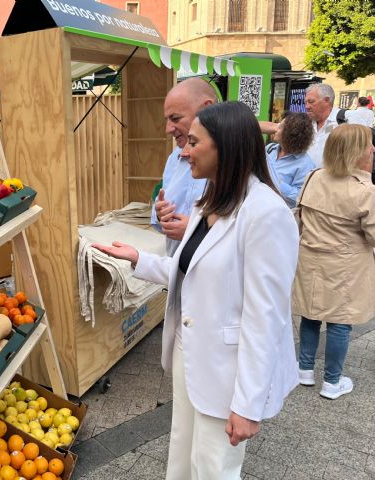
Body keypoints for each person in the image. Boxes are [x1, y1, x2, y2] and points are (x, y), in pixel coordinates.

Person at [94, 102, 299, 479]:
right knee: (183, 455)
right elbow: (192, 272)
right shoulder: (210, 202)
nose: (183, 151)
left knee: (213, 467)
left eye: (192, 141)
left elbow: (265, 317)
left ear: (226, 147)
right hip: (192, 357)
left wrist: (248, 404)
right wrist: (137, 257)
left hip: (228, 369)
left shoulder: (266, 214)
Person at [292, 124, 375, 399]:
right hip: (346, 266)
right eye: (368, 145)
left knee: (311, 314)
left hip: (311, 260)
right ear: (357, 152)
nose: (372, 149)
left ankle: (304, 369)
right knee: (340, 322)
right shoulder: (365, 190)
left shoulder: (314, 177)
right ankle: (332, 381)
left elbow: (300, 217)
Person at [150, 78, 217, 256]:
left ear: (206, 109)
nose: (168, 129)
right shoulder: (174, 159)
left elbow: (253, 229)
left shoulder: (243, 159)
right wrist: (160, 213)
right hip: (177, 274)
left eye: (175, 118)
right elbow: (160, 218)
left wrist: (196, 229)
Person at [265, 112, 316, 207]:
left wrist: (275, 181)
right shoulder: (270, 149)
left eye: (281, 127)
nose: (276, 129)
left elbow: (299, 198)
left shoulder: (305, 164)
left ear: (290, 134)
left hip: (279, 213)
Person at [304, 83, 338, 167]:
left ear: (326, 100)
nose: (307, 106)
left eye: (311, 101)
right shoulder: (305, 123)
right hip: (305, 178)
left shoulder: (341, 122)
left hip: (331, 178)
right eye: (305, 102)